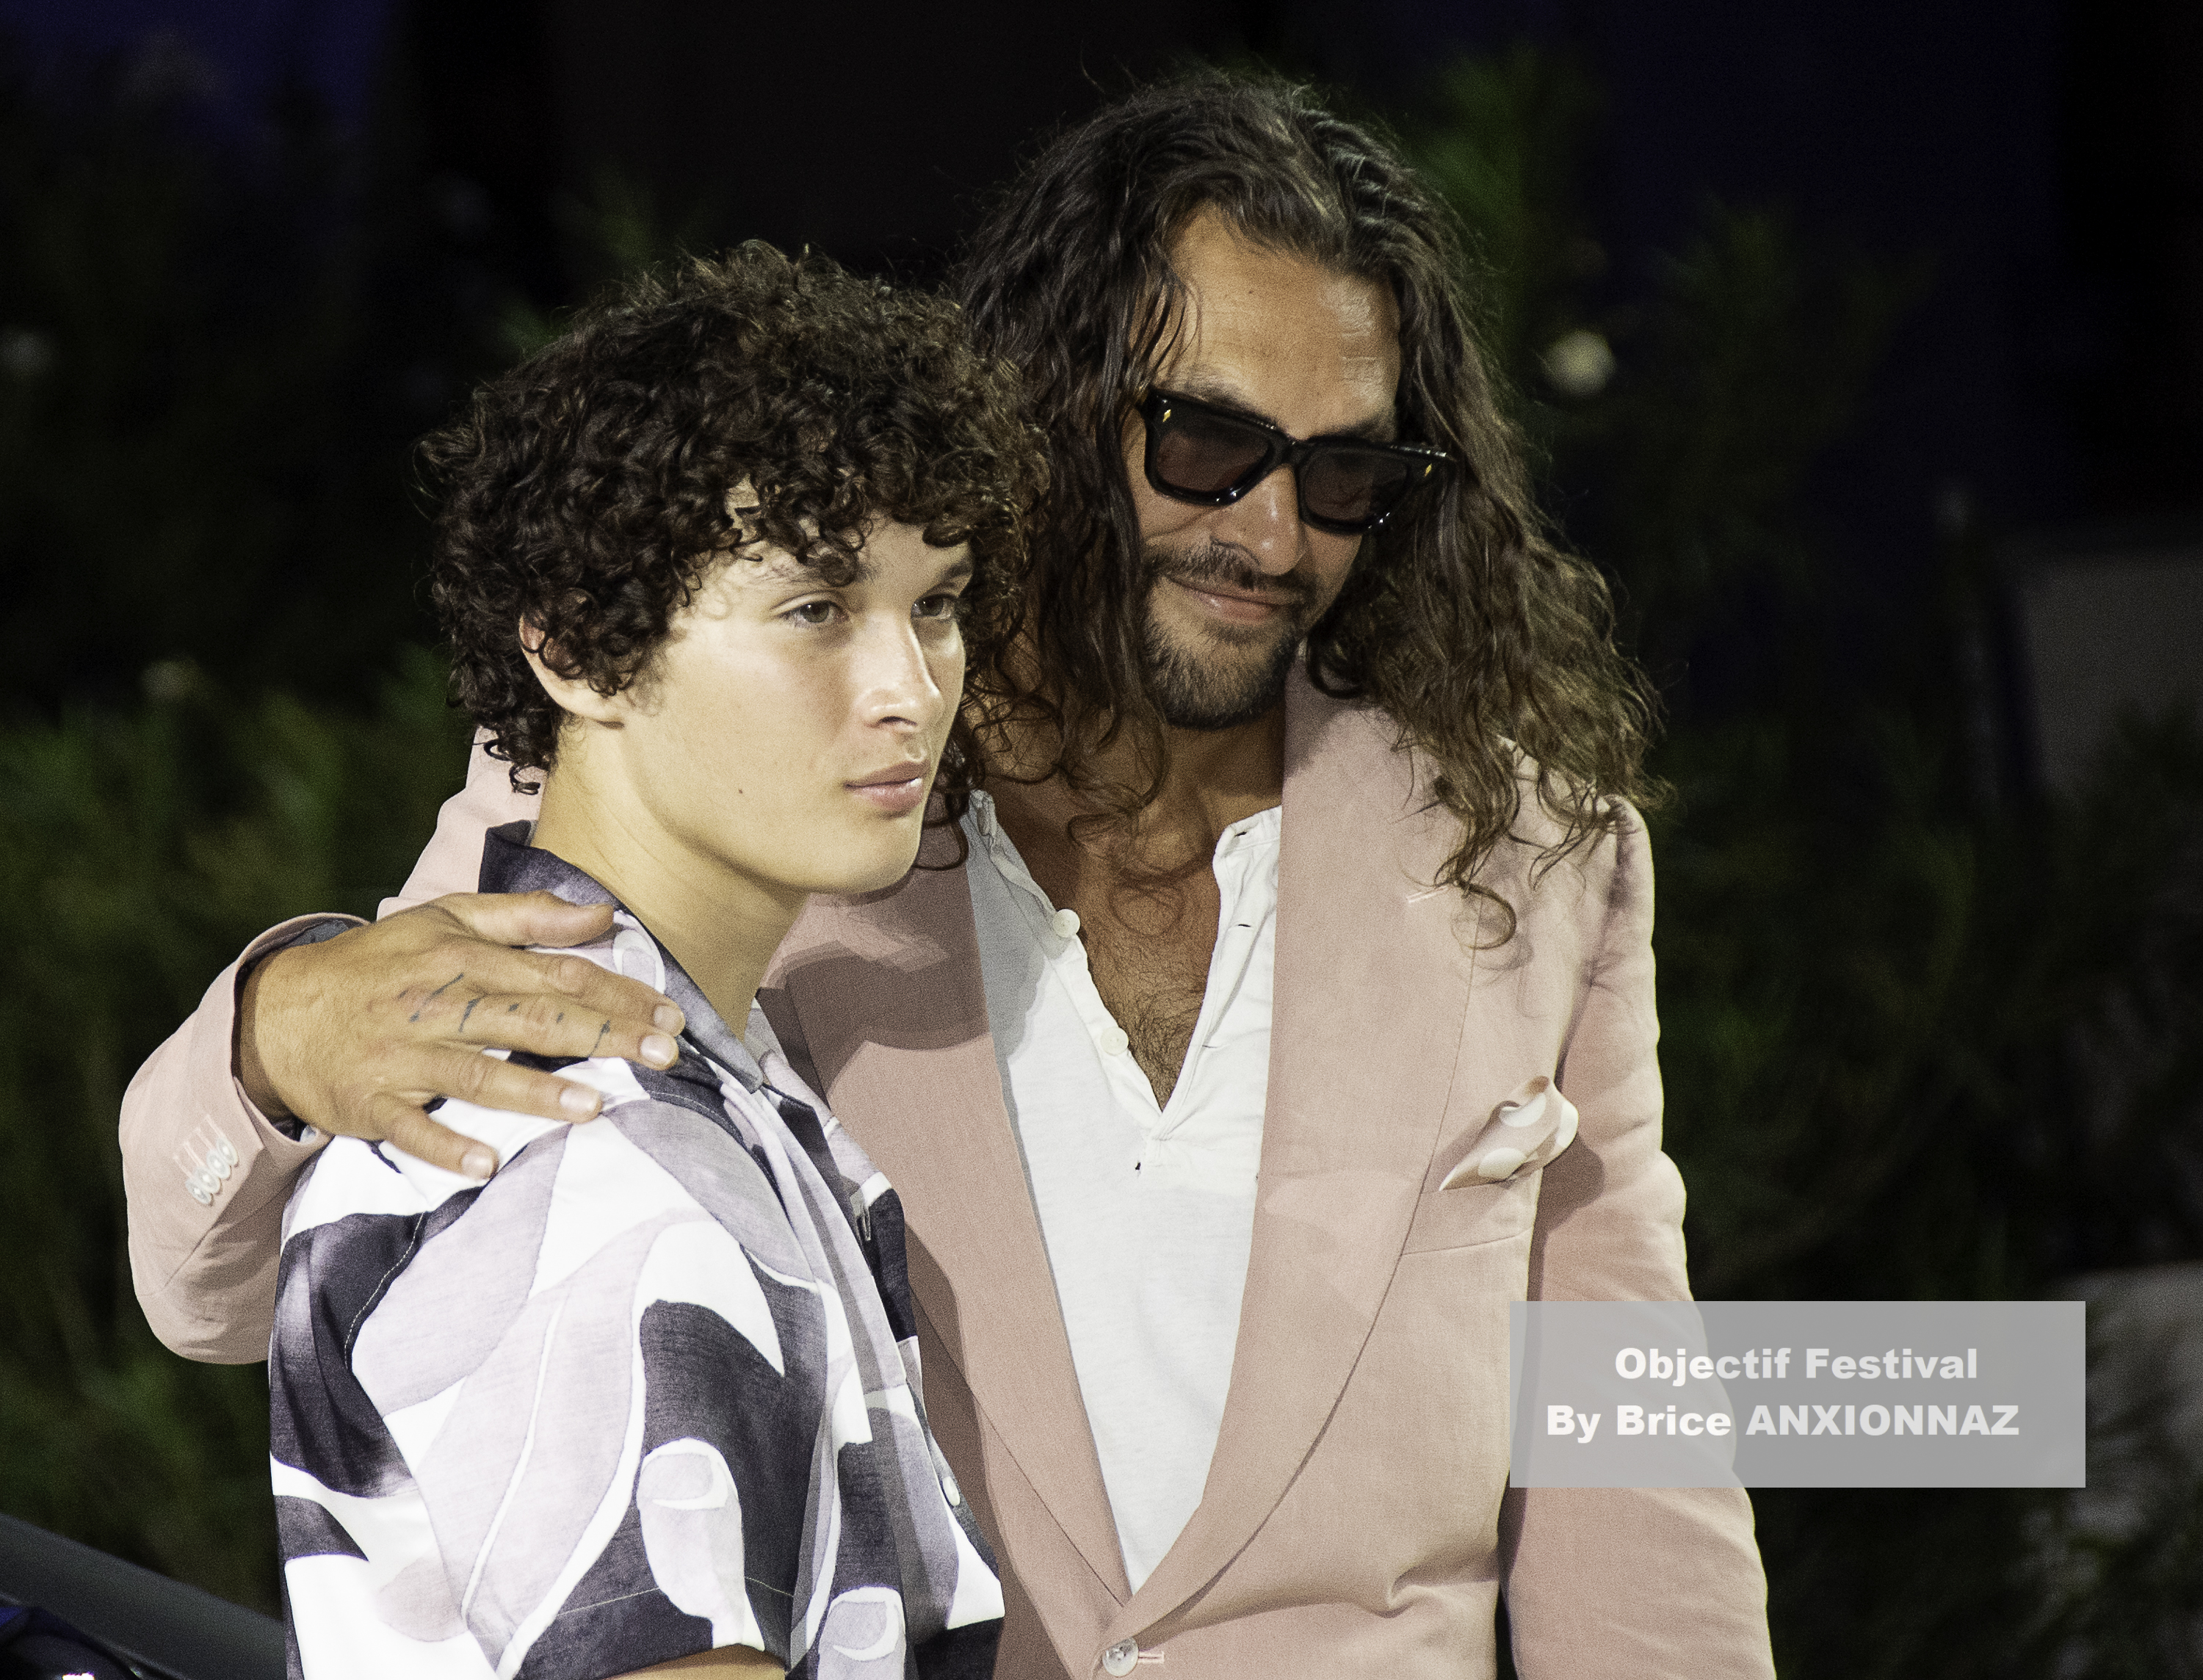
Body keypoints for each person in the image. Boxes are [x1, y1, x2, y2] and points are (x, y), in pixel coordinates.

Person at [123, 75, 1776, 1678]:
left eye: (1347, 476)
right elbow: (252, 1282)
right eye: (1206, 444)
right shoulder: (732, 781)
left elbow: (1625, 1442)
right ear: (1053, 402)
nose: (1275, 536)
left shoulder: (1533, 862)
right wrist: (274, 1036)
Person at [263, 247, 1038, 1679]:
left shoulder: (679, 1092)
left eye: (938, 603)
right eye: (815, 608)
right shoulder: (575, 1154)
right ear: (574, 647)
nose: (911, 689)